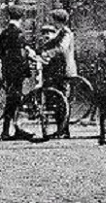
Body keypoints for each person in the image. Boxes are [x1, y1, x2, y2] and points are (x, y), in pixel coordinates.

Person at [0, 5, 34, 141]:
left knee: (13, 99)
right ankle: (7, 131)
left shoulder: (4, 33)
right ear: (21, 18)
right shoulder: (18, 33)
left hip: (8, 70)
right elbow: (21, 55)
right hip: (17, 71)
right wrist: (27, 67)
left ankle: (13, 129)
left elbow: (0, 53)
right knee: (14, 100)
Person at [38, 8, 77, 138]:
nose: (51, 22)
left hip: (64, 70)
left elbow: (61, 48)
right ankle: (61, 129)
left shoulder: (66, 33)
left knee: (62, 100)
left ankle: (64, 130)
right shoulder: (61, 32)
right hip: (58, 70)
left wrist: (48, 53)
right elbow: (52, 43)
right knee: (58, 99)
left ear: (57, 20)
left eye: (52, 20)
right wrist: (42, 48)